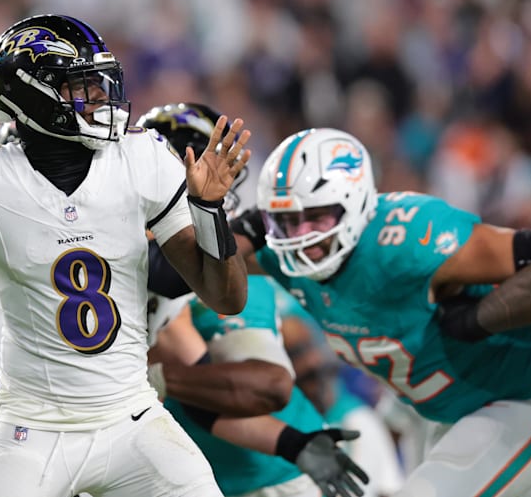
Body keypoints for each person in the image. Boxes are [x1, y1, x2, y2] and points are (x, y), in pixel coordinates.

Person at [0, 14, 252, 497]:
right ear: (30, 97)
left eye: (99, 83)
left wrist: (209, 210)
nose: (99, 97)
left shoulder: (143, 158)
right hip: (34, 429)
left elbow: (226, 297)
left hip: (132, 417)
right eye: (80, 86)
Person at [231, 127, 531, 496]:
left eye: (317, 216)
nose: (302, 236)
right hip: (460, 412)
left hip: (522, 395)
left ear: (353, 202)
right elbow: (193, 269)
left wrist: (482, 318)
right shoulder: (288, 258)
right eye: (287, 220)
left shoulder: (407, 237)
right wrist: (226, 223)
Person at [139, 103, 368, 497]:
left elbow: (265, 386)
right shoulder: (119, 254)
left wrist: (147, 379)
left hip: (267, 479)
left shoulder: (214, 280)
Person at [279, 305, 404, 497]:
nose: (311, 362)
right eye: (294, 354)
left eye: (309, 348)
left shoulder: (356, 421)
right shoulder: (275, 435)